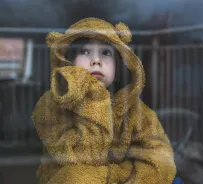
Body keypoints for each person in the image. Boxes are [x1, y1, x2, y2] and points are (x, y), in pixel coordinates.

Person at [32, 17, 176, 184]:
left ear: (119, 64)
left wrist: (111, 176)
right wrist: (94, 97)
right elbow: (81, 158)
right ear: (68, 61)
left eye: (106, 53)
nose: (96, 61)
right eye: (85, 52)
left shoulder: (135, 109)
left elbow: (160, 161)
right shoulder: (50, 106)